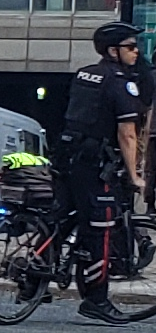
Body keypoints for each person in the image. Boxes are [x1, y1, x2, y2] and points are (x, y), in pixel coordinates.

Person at [50, 21, 147, 324]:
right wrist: (134, 175)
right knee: (100, 230)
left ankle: (34, 277)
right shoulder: (119, 81)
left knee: (61, 218)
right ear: (113, 50)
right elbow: (127, 134)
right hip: (95, 166)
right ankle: (96, 299)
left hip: (66, 157)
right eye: (131, 46)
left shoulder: (85, 74)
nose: (136, 52)